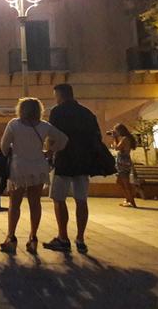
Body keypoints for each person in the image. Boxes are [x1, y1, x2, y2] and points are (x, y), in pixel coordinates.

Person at [0, 98, 68, 254]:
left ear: (21, 109)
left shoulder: (14, 124)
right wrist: (50, 151)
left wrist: (12, 150)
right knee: (35, 203)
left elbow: (4, 147)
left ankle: (11, 237)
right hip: (38, 168)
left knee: (14, 204)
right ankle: (33, 237)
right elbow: (64, 139)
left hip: (19, 169)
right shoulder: (44, 126)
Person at [44, 83, 101, 254]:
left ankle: (63, 237)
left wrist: (49, 152)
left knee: (59, 199)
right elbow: (96, 136)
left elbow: (52, 135)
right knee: (81, 200)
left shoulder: (57, 111)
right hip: (83, 161)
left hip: (64, 159)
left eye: (56, 95)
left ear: (60, 95)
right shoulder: (86, 112)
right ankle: (81, 239)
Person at [111, 123, 138, 208]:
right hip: (123, 162)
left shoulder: (125, 139)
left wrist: (115, 138)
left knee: (125, 183)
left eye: (116, 131)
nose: (115, 132)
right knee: (119, 181)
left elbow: (117, 148)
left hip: (123, 162)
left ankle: (132, 202)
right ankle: (128, 199)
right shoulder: (126, 138)